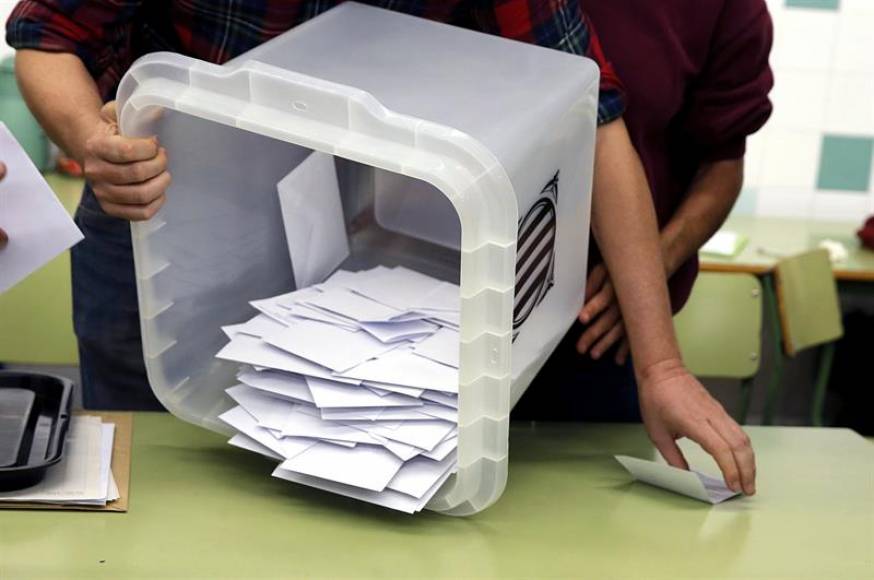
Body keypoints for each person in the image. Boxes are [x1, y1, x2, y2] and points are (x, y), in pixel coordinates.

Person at [7, 0, 756, 495]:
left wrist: (661, 364)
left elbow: (595, 114)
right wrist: (93, 142)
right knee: (161, 489)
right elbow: (46, 36)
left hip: (341, 225)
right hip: (163, 208)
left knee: (349, 487)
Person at [514, 0, 774, 425]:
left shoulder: (730, 12)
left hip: (601, 333)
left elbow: (723, 163)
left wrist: (650, 264)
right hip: (456, 304)